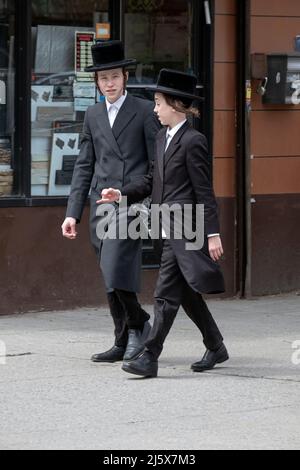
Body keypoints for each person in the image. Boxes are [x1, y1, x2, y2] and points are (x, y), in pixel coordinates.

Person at [98, 69, 229, 378]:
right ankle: (216, 344)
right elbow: (149, 180)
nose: (154, 109)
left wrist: (212, 232)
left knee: (165, 292)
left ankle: (150, 355)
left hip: (186, 227)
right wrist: (121, 193)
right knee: (184, 293)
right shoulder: (161, 137)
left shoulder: (193, 141)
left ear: (176, 105)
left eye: (158, 103)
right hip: (162, 225)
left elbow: (204, 190)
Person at [62, 40, 160, 363]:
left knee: (116, 267)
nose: (110, 84)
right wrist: (72, 213)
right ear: (97, 82)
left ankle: (139, 326)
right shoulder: (92, 114)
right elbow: (84, 165)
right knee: (109, 276)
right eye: (104, 79)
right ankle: (122, 338)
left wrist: (145, 197)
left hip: (130, 203)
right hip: (100, 207)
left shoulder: (145, 111)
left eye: (115, 77)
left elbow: (154, 164)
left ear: (125, 77)